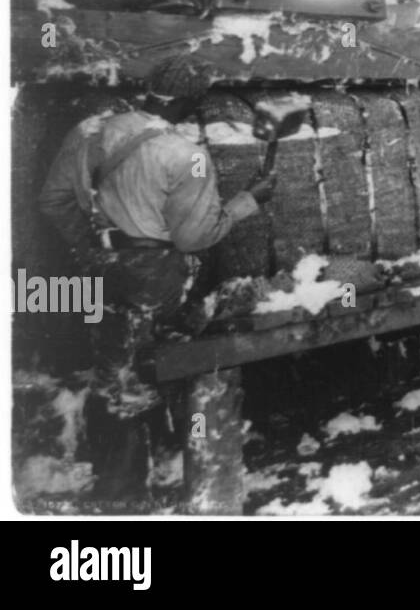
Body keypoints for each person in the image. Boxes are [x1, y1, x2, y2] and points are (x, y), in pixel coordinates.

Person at [37, 54, 276, 498]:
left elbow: (53, 202)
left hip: (98, 273)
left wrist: (94, 250)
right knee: (162, 362)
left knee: (112, 366)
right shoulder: (187, 155)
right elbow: (195, 237)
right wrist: (247, 200)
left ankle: (117, 480)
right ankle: (146, 484)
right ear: (187, 104)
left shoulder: (88, 132)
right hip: (154, 276)